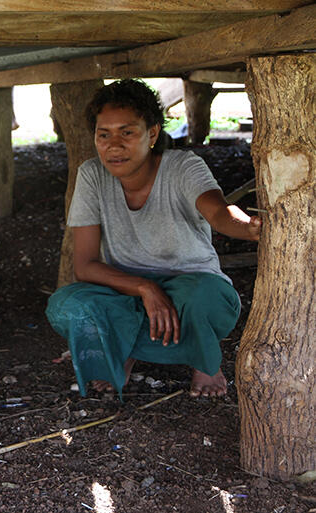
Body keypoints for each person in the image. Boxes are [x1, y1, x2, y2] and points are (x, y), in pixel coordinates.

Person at [45, 79, 262, 399]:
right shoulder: (92, 174)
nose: (114, 145)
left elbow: (219, 213)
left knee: (204, 297)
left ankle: (204, 359)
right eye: (103, 134)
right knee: (68, 305)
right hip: (128, 291)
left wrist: (250, 226)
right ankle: (126, 350)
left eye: (127, 132)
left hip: (191, 289)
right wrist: (147, 288)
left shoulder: (183, 166)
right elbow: (85, 266)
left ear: (153, 133)